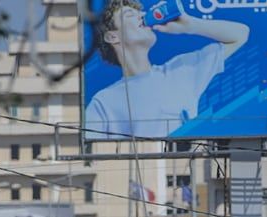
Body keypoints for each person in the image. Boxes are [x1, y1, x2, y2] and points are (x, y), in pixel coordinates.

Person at [85, 0, 248, 139]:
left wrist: (191, 25)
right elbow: (91, 153)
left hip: (186, 172)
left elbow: (240, 35)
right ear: (112, 36)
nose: (142, 15)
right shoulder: (103, 102)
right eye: (129, 15)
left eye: (140, 12)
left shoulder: (181, 70)